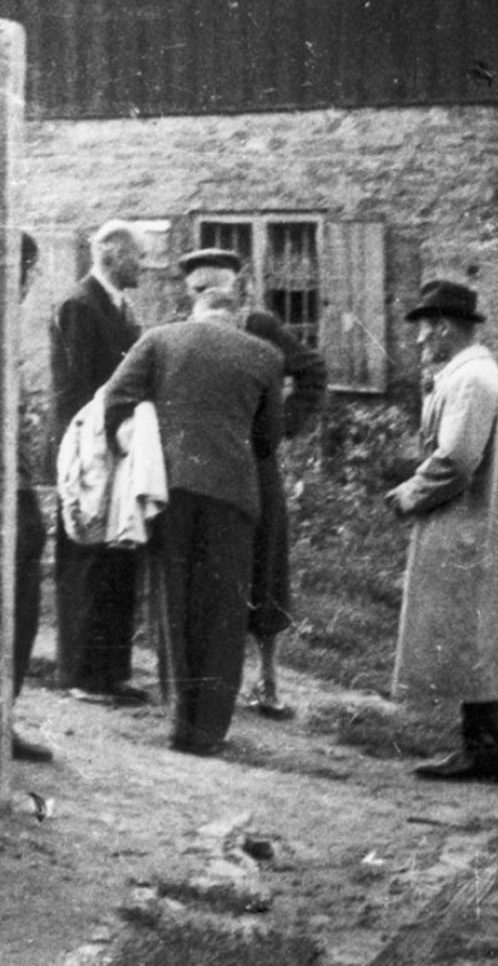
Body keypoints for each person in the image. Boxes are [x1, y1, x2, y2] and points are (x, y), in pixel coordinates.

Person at [103, 284, 285, 756]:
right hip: (232, 495)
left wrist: (139, 443)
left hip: (171, 488)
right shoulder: (265, 355)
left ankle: (178, 722)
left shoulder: (160, 340)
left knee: (174, 604)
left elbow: (116, 397)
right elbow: (268, 439)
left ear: (196, 313)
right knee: (223, 614)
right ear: (237, 318)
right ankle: (208, 733)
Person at [385, 280, 498, 782]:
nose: (418, 342)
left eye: (424, 331)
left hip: (472, 525)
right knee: (485, 634)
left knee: (479, 634)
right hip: (481, 522)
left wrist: (410, 492)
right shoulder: (474, 374)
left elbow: (456, 459)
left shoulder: (471, 381)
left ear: (446, 328)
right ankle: (486, 747)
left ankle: (486, 752)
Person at [178, 249, 327, 720]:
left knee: (264, 566)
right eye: (200, 288)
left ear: (240, 287)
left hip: (252, 464)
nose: (210, 295)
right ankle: (202, 682)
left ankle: (268, 680)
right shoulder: (181, 333)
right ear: (190, 293)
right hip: (199, 468)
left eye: (219, 286)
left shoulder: (259, 326)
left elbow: (312, 370)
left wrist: (283, 427)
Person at [48, 219, 149, 704]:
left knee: (118, 556)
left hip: (120, 449)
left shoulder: (122, 309)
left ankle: (112, 671)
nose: (144, 266)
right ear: (111, 254)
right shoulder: (78, 306)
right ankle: (82, 675)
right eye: (137, 256)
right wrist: (85, 455)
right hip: (89, 449)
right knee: (86, 558)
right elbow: (72, 391)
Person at [12, 233, 55, 762]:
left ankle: (5, 710)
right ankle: (0, 712)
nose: (27, 286)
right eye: (26, 274)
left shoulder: (6, 326)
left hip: (14, 478)